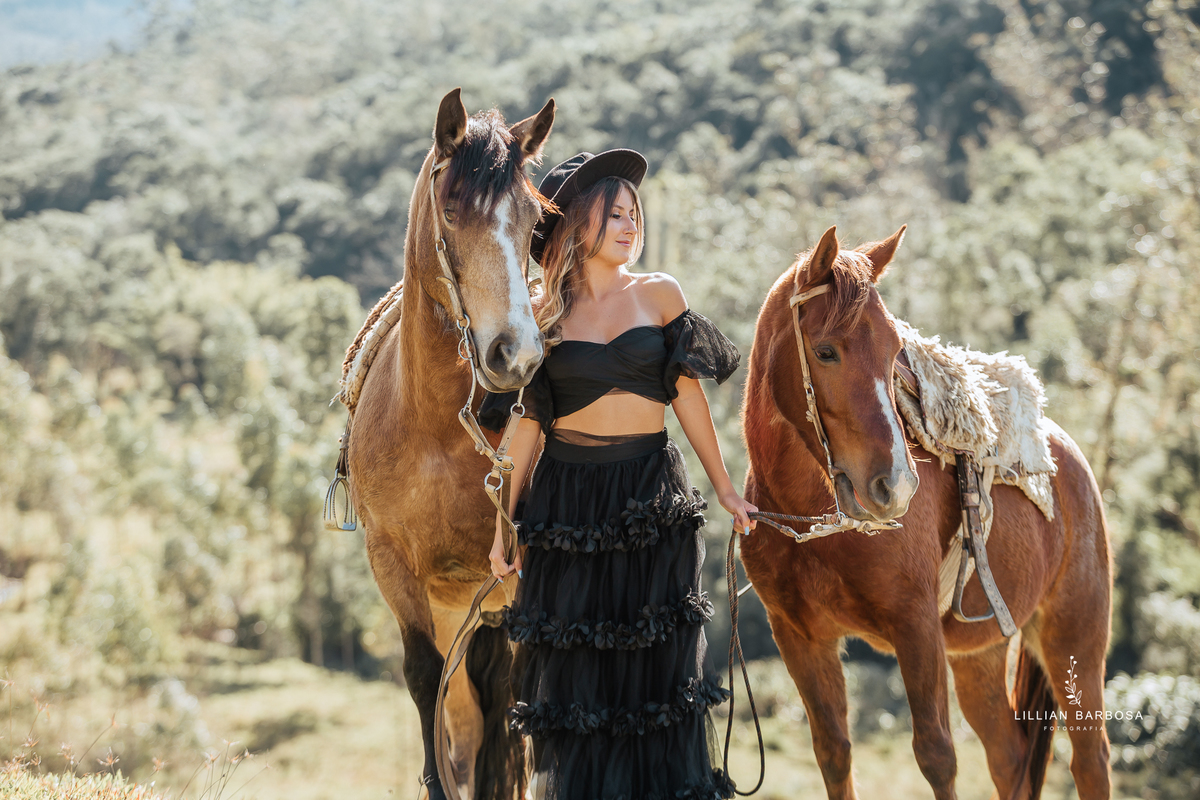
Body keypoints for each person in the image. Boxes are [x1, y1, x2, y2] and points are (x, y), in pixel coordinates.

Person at [480, 149, 756, 800]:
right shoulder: (544, 313)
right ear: (577, 223)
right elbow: (527, 426)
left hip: (651, 498)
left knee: (656, 679)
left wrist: (723, 486)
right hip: (567, 506)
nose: (631, 225)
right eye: (614, 214)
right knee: (580, 683)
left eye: (635, 214)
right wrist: (504, 527)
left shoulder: (660, 294)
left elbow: (687, 394)